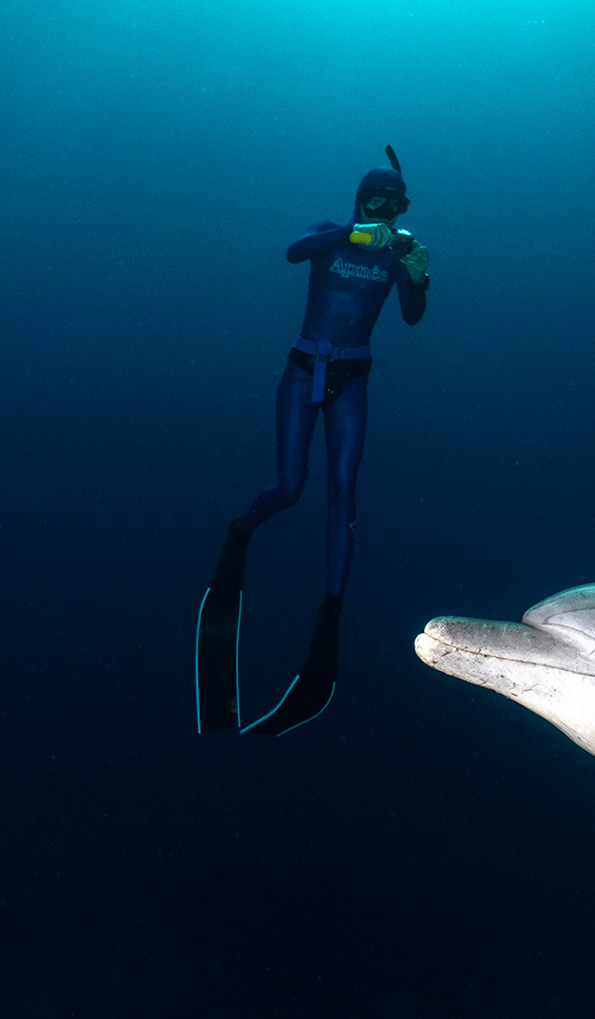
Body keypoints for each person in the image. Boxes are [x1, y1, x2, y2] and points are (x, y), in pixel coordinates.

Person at [196, 148, 431, 735]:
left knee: (343, 493)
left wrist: (419, 274)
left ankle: (331, 613)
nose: (383, 209)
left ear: (402, 209)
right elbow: (293, 251)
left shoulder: (399, 251)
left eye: (393, 204)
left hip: (353, 380)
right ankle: (242, 529)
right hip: (303, 371)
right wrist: (352, 233)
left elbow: (412, 315)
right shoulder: (330, 232)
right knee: (290, 487)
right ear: (359, 198)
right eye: (375, 198)